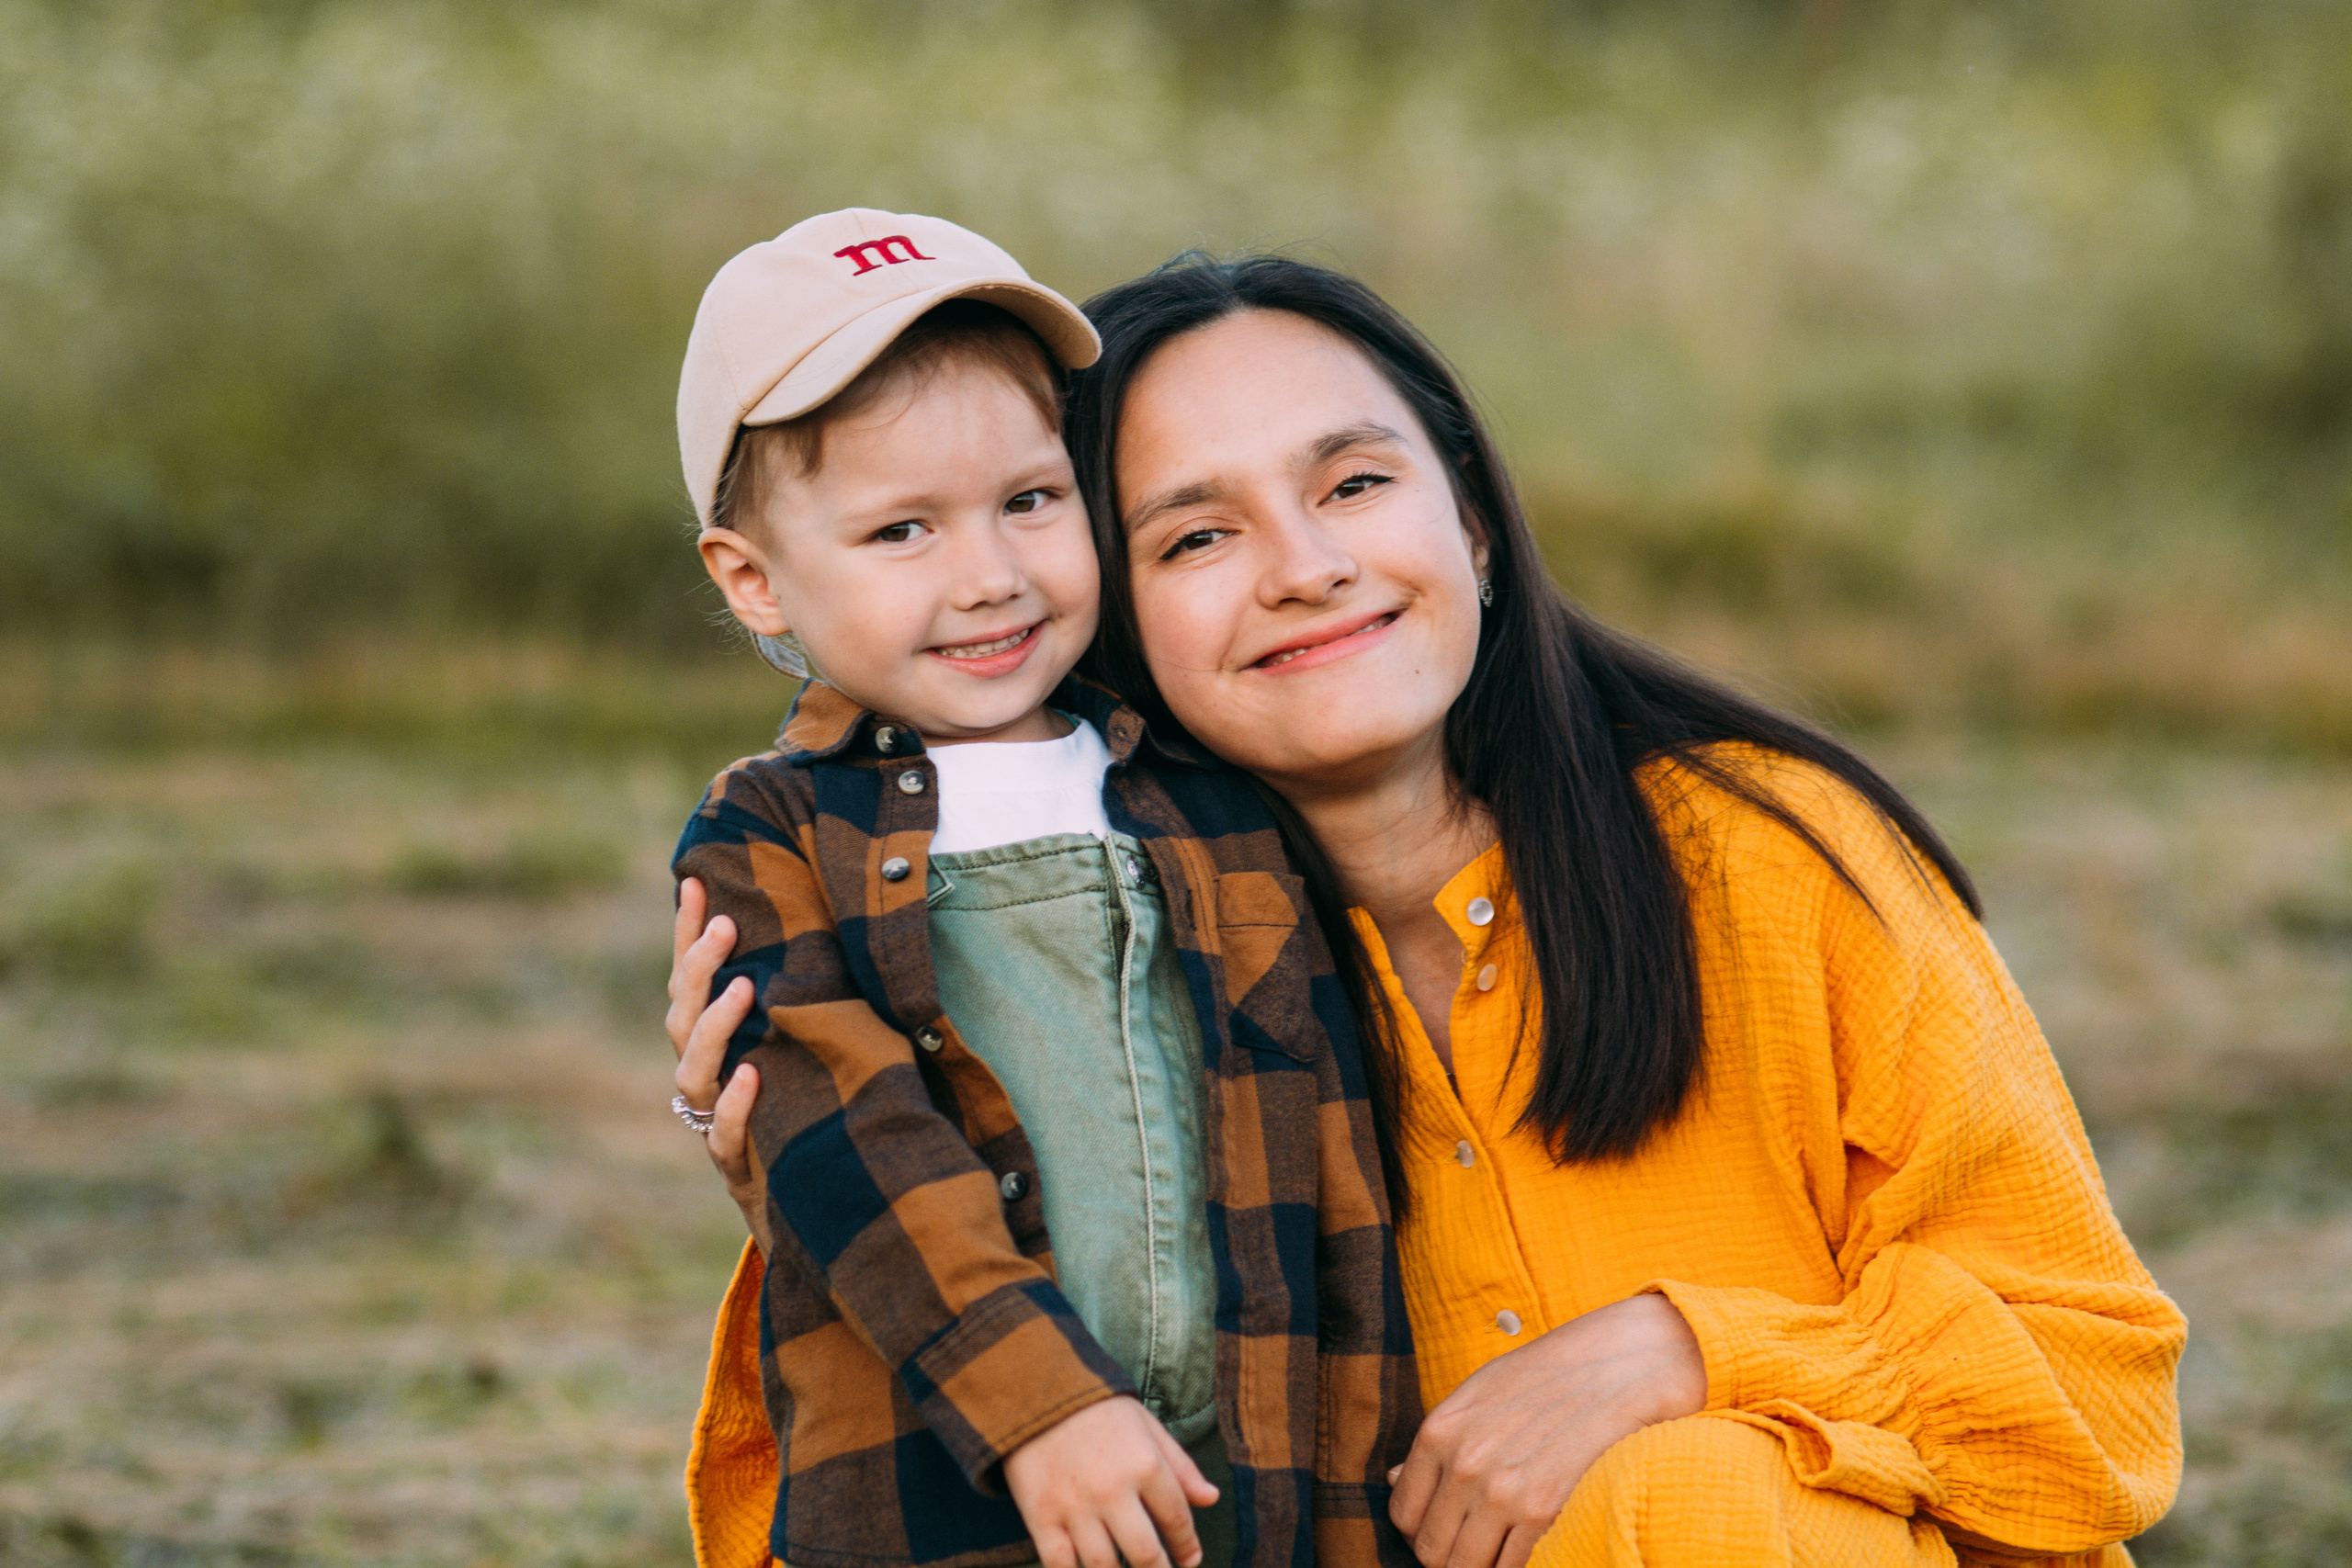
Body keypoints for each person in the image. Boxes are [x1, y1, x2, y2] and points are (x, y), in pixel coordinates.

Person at [673, 251, 2186, 1566]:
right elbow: (850, 1452)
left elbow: (2098, 1388)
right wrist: (777, 1142)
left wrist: (1682, 1351)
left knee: (1685, 1495)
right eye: (1196, 537)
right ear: (1104, 616)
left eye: (1354, 484)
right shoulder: (1130, 975)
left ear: (1470, 519)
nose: (1307, 568)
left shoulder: (1772, 858)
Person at [665, 215, 1417, 1568]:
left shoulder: (1206, 795)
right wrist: (1041, 1405)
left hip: (1250, 1492)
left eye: (1029, 501)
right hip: (952, 1499)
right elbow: (846, 1136)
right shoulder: (773, 833)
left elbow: (1333, 1176)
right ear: (755, 580)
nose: (992, 577)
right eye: (902, 529)